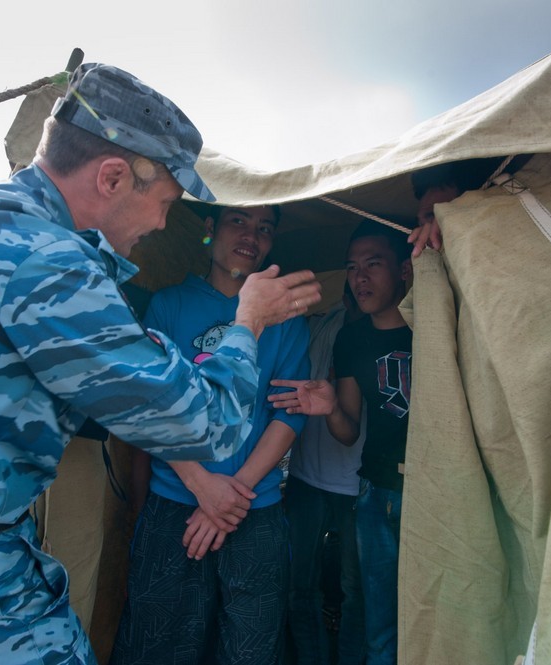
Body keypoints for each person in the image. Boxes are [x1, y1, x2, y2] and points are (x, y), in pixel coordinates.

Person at [0, 63, 321, 665]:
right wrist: (248, 321)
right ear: (112, 176)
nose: (161, 224)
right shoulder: (50, 265)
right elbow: (208, 424)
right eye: (166, 202)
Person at [109, 204, 310, 665]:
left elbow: (288, 416)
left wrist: (229, 499)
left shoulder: (288, 319)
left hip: (254, 510)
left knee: (249, 649)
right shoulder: (169, 305)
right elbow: (149, 408)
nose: (251, 235)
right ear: (208, 228)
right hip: (175, 503)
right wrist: (203, 487)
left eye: (264, 228)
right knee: (157, 645)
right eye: (238, 220)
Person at [270, 220, 413, 665]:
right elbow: (349, 428)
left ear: (405, 269)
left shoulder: (437, 322)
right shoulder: (351, 338)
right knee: (374, 622)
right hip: (373, 488)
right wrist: (331, 407)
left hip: (428, 489)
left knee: (412, 610)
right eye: (353, 267)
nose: (360, 277)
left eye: (374, 264)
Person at [283, 291, 366, 665]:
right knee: (300, 585)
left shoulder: (399, 333)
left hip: (362, 482)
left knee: (356, 591)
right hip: (307, 475)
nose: (359, 280)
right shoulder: (320, 324)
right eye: (351, 269)